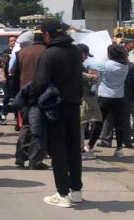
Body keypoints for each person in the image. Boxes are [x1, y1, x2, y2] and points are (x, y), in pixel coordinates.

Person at [27, 20, 84, 208]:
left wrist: (31, 100)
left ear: (47, 34)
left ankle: (62, 193)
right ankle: (76, 190)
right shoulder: (75, 51)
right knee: (73, 148)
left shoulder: (49, 54)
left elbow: (40, 82)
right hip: (74, 104)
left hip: (54, 107)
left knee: (58, 150)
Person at [84, 44, 131, 157]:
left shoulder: (105, 65)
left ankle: (90, 146)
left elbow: (88, 64)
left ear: (110, 54)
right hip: (119, 96)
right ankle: (119, 149)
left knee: (98, 123)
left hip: (104, 96)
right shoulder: (125, 66)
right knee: (118, 123)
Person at [11, 31, 49, 169]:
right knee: (40, 128)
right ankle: (35, 159)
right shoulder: (48, 52)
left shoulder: (22, 53)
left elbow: (15, 76)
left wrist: (16, 95)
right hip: (44, 95)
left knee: (26, 126)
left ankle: (20, 156)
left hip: (25, 95)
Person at [77, 44, 102, 160]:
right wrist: (91, 77)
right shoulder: (75, 65)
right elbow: (79, 75)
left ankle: (79, 149)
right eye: (85, 55)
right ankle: (80, 150)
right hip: (82, 99)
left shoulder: (80, 65)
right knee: (81, 126)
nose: (86, 57)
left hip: (83, 99)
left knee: (82, 125)